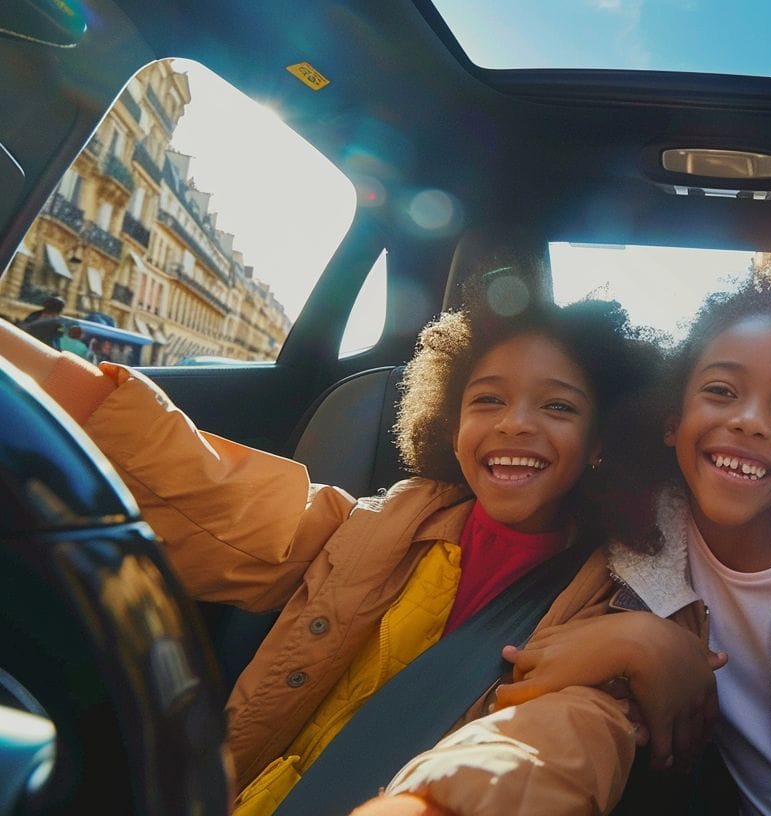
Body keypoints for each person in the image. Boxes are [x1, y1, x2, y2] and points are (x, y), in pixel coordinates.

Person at [0, 274, 666, 814]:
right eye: (487, 401)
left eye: (557, 407)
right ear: (451, 422)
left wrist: (427, 807)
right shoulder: (374, 527)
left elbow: (562, 742)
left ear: (603, 443)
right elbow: (190, 478)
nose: (514, 425)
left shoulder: (609, 604)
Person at [356, 276, 771, 816]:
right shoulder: (633, 555)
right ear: (671, 424)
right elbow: (579, 724)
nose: (749, 421)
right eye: (721, 391)